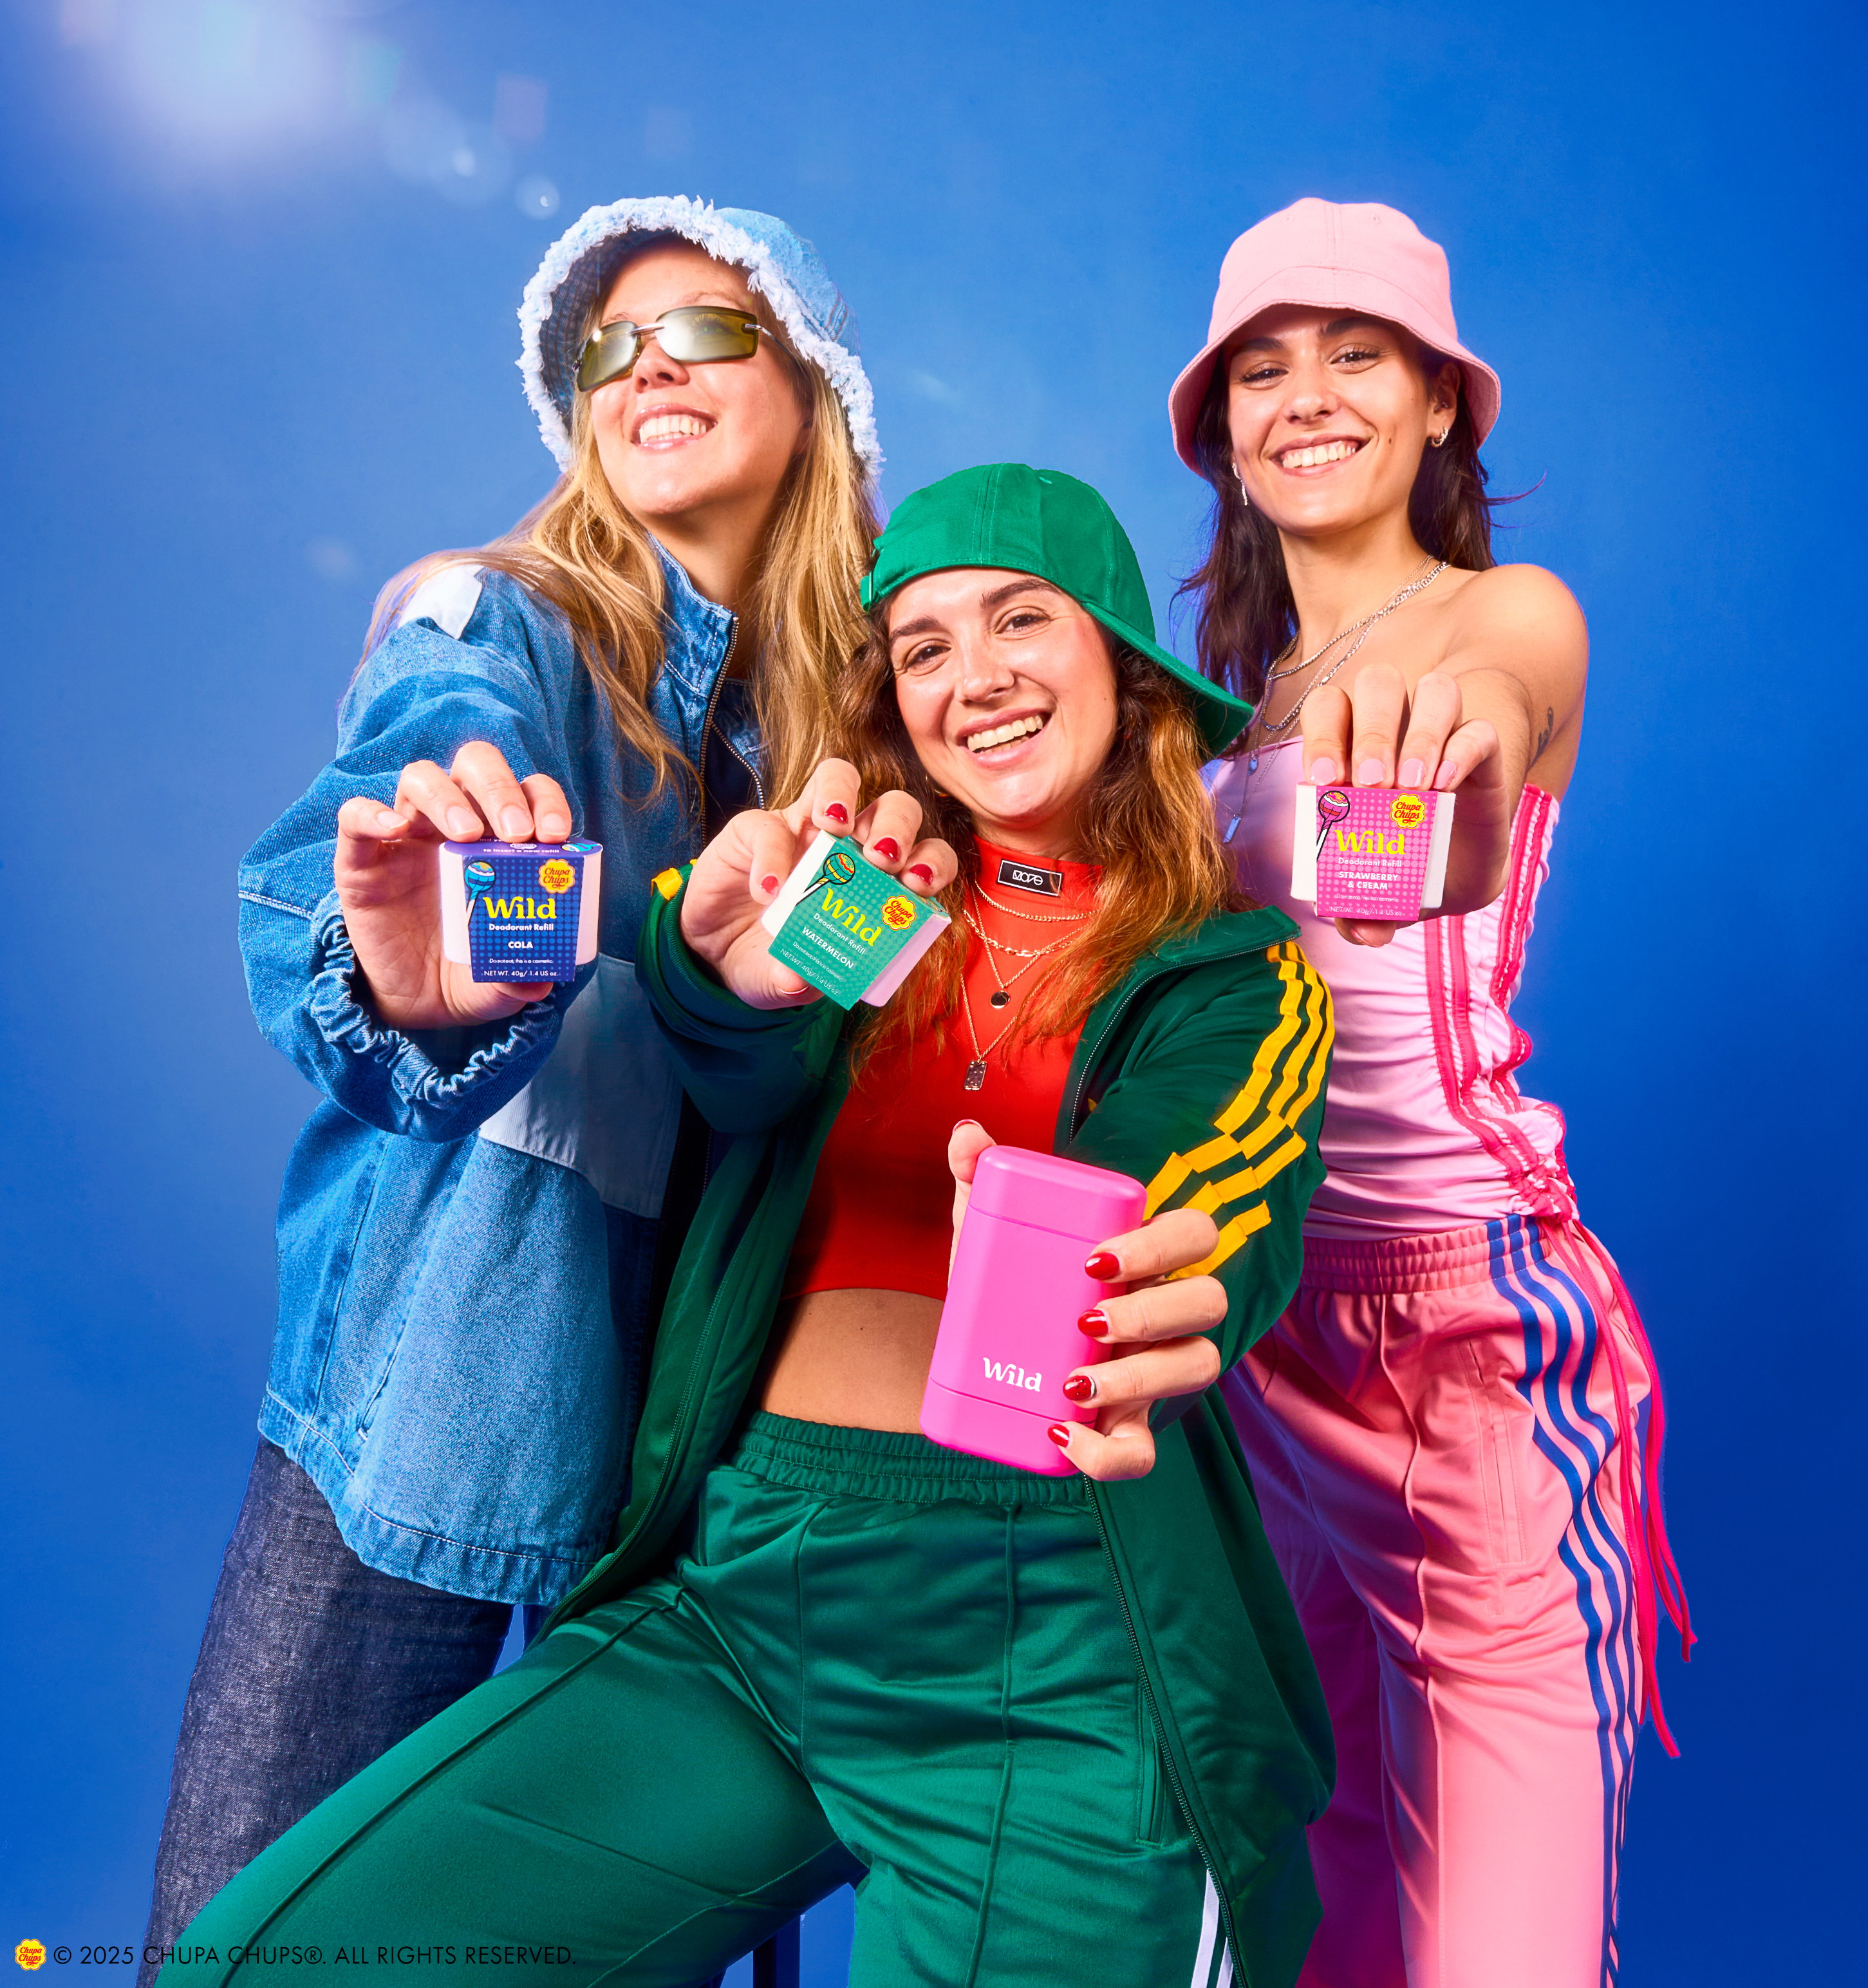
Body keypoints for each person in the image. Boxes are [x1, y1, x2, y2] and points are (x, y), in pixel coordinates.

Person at [160, 465, 1338, 1988]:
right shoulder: (864, 896)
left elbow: (1211, 1189)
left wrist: (1133, 1280)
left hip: (1045, 1639)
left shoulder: (1234, 975)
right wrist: (728, 968)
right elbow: (728, 1033)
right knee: (275, 1961)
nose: (969, 675)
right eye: (919, 648)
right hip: (741, 1582)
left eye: (1017, 620)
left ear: (1122, 658)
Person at [140, 196, 881, 1983]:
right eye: (606, 351)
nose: (643, 371)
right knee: (257, 1944)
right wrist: (398, 963)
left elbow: (819, 1078)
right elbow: (391, 805)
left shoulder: (846, 737)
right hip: (436, 1406)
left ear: (812, 389)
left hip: (680, 1478)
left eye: (697, 332)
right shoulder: (497, 623)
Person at [1171, 198, 1693, 1988]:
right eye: (1261, 368)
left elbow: (1499, 685)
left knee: (1500, 1952)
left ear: (1438, 408)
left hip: (1465, 1341)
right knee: (1313, 1920)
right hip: (1255, 1350)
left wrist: (1453, 712)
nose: (1302, 398)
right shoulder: (1224, 714)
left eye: (1354, 356)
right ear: (1219, 430)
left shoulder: (1497, 613)